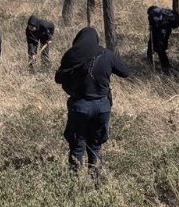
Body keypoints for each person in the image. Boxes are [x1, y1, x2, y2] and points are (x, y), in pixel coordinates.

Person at [55, 27, 131, 182]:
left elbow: (59, 78)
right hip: (102, 107)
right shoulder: (107, 55)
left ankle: (73, 182)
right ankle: (96, 180)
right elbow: (125, 72)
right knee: (95, 145)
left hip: (79, 106)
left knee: (77, 145)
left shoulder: (73, 55)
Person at [146, 5, 179, 71]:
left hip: (160, 31)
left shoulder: (153, 12)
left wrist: (152, 27)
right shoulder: (164, 11)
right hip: (167, 30)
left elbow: (153, 24)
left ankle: (165, 66)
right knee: (160, 47)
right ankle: (162, 64)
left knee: (159, 49)